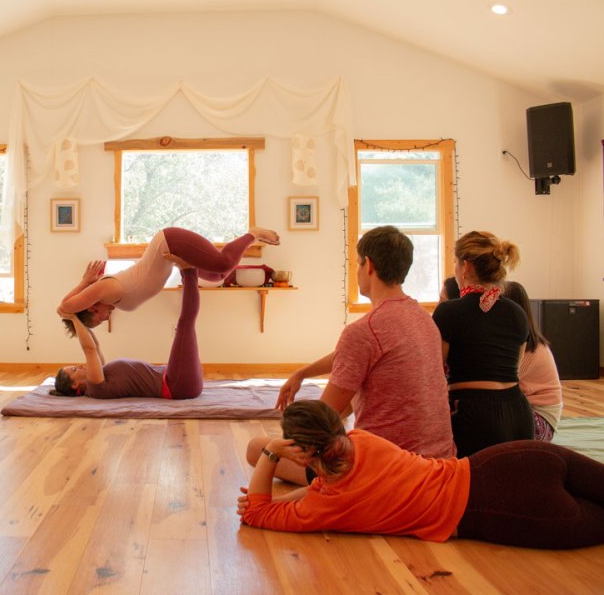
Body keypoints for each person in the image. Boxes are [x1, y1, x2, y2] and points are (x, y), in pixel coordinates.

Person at [237, 400, 604, 550]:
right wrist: (286, 492)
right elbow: (324, 483)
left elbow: (256, 513)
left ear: (301, 452)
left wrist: (272, 453)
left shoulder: (327, 506)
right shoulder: (362, 439)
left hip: (507, 510)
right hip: (518, 458)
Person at [247, 226, 454, 484]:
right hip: (440, 465)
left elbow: (320, 419)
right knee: (355, 394)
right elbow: (353, 357)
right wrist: (303, 373)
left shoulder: (364, 330)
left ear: (369, 265)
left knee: (257, 448)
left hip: (388, 473)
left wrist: (285, 443)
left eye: (357, 263)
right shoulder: (424, 320)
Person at [57, 226, 280, 332]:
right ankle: (250, 237)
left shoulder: (105, 290)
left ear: (92, 308)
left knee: (223, 263)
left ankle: (254, 234)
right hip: (172, 255)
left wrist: (84, 282)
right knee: (218, 275)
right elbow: (66, 309)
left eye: (99, 319)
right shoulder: (112, 298)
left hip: (170, 242)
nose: (106, 319)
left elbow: (63, 308)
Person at [433, 231, 534, 457]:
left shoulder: (448, 312)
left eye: (456, 263)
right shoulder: (517, 312)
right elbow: (513, 369)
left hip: (474, 415)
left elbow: (434, 372)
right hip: (518, 412)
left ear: (466, 266)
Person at [52, 256, 203, 400]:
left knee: (186, 325)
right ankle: (188, 270)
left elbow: (95, 347)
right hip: (176, 385)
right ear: (74, 385)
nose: (79, 365)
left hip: (176, 379)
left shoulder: (101, 374)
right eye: (74, 370)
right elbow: (89, 349)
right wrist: (72, 317)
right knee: (185, 323)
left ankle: (189, 270)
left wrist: (75, 314)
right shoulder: (95, 387)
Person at [503, 281, 563, 441]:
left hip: (540, 418)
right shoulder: (516, 342)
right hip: (526, 410)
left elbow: (501, 383)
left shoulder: (530, 349)